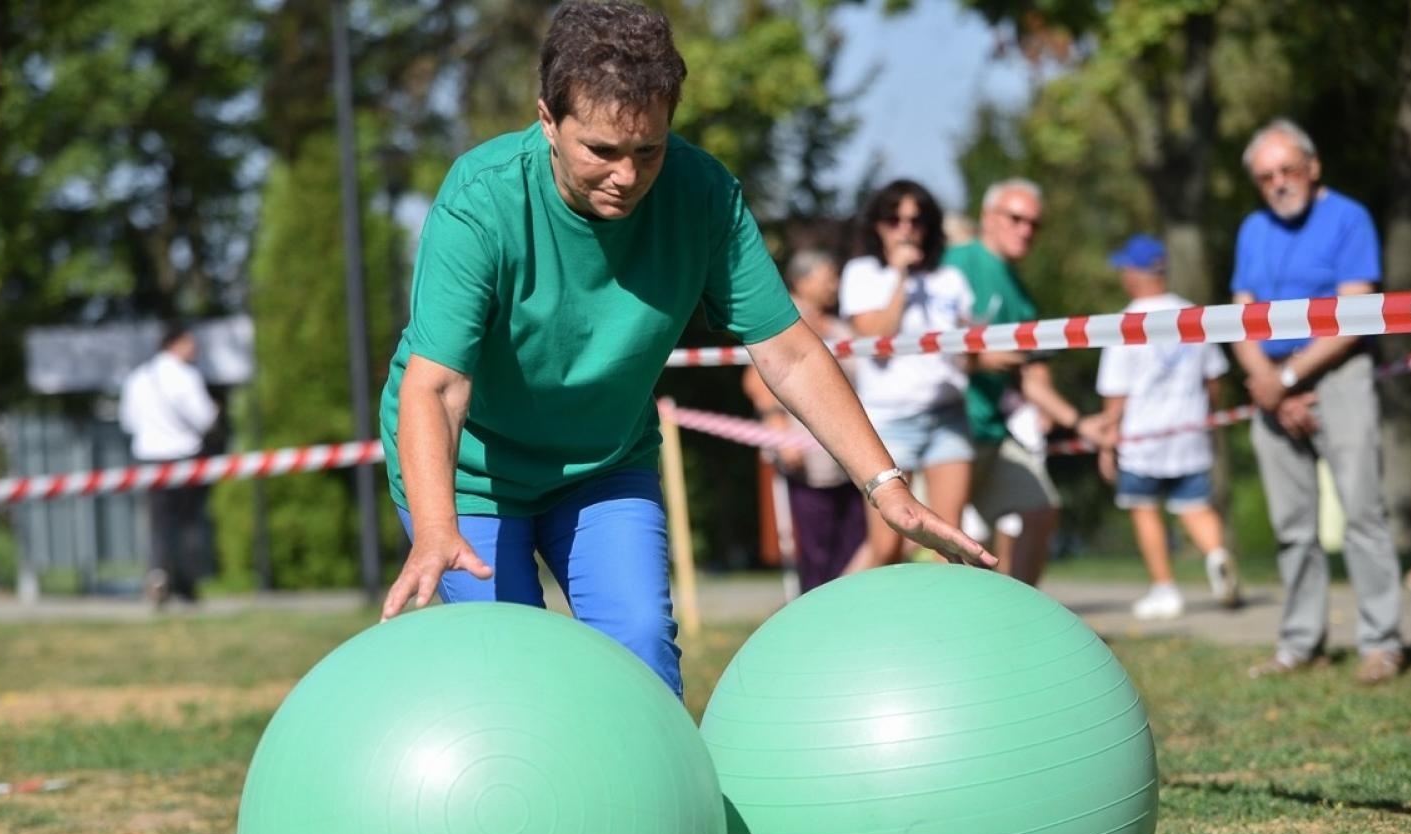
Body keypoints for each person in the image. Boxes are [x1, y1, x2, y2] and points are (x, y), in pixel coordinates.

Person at [377, 0, 993, 697]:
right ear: (547, 119)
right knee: (519, 667)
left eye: (649, 150)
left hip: (602, 464)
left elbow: (789, 351)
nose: (628, 176)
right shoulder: (482, 202)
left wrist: (887, 487)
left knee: (641, 642)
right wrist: (435, 530)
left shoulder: (703, 196)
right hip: (471, 473)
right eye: (601, 151)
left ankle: (663, 805)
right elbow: (437, 386)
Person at [1231, 118, 1403, 683]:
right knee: (1292, 527)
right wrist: (1267, 383)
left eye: (1287, 170)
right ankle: (1300, 643)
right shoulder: (1252, 228)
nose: (1278, 183)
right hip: (1270, 384)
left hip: (1337, 375)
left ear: (1313, 167)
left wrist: (1287, 377)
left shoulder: (1349, 218)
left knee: (1362, 515)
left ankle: (1380, 642)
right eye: (1265, 176)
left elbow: (1355, 314)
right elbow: (1241, 314)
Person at [942, 179, 1113, 585]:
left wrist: (1079, 422)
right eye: (1016, 219)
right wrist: (979, 360)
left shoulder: (1020, 294)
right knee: (930, 543)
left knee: (1040, 508)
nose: (1026, 231)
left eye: (1035, 224)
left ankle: (1017, 626)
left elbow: (1032, 379)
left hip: (991, 433)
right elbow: (918, 349)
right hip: (945, 429)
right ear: (988, 218)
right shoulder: (953, 263)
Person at [1094, 235, 1240, 620]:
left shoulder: (1124, 323)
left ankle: (1165, 589)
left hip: (1142, 438)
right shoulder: (1192, 315)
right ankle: (1217, 556)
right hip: (1189, 431)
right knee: (1195, 507)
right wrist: (1207, 416)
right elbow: (1214, 378)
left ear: (1136, 274)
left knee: (1144, 509)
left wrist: (1107, 443)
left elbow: (1115, 395)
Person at [838, 180, 975, 566]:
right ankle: (851, 621)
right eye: (893, 219)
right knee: (887, 548)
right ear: (877, 225)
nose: (905, 228)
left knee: (951, 540)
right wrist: (900, 277)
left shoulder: (949, 280)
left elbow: (967, 348)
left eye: (916, 220)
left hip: (947, 414)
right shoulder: (861, 273)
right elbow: (875, 335)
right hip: (888, 420)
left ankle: (946, 626)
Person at [742, 249, 870, 592]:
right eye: (827, 275)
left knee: (854, 549)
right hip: (807, 461)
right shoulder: (782, 318)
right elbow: (758, 379)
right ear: (802, 280)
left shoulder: (840, 325)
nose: (834, 283)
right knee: (817, 558)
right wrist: (778, 430)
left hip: (849, 461)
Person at [119, 321, 219, 606]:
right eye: (189, 342)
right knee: (188, 523)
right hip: (183, 455)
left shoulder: (138, 379)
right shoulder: (187, 377)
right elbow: (205, 418)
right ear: (174, 344)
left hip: (148, 456)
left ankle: (158, 576)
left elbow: (129, 422)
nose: (194, 348)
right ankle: (187, 585)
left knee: (158, 524)